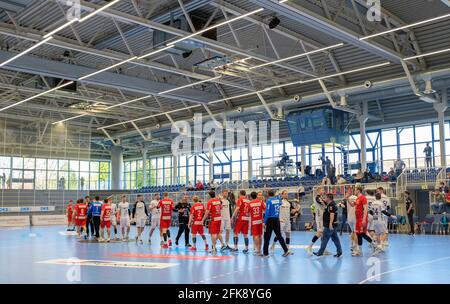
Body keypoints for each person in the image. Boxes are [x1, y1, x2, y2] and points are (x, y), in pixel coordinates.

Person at [263, 190, 293, 257]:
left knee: (267, 237)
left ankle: (265, 253)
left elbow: (267, 212)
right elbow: (280, 203)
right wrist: (278, 196)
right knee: (279, 236)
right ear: (273, 194)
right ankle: (286, 250)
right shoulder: (278, 200)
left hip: (270, 220)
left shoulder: (269, 201)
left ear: (268, 194)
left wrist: (264, 222)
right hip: (276, 220)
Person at [350, 187, 377, 256]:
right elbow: (352, 205)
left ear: (358, 191)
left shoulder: (363, 198)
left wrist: (364, 219)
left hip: (362, 218)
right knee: (358, 234)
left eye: (355, 190)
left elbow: (365, 209)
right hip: (358, 219)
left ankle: (374, 245)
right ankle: (359, 250)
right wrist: (347, 198)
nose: (354, 192)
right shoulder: (358, 198)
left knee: (362, 234)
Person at [306, 187, 326, 255]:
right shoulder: (317, 197)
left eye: (323, 190)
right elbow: (324, 203)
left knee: (323, 234)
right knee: (320, 232)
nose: (323, 191)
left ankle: (323, 249)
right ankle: (309, 247)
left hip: (323, 217)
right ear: (318, 191)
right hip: (319, 217)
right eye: (322, 190)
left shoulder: (321, 197)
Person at [248, 191, 265, 255]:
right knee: (260, 235)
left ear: (251, 197)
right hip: (260, 221)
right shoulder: (261, 202)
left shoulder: (250, 203)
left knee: (256, 236)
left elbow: (247, 212)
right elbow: (265, 209)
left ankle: (257, 249)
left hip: (254, 221)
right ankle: (259, 249)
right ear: (256, 196)